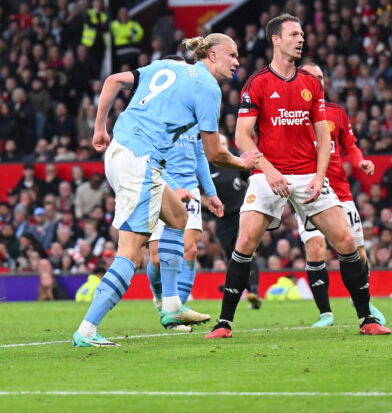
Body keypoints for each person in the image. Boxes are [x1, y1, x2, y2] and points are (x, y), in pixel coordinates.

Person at [73, 33, 262, 348]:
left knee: (177, 217)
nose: (237, 62)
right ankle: (88, 330)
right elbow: (214, 152)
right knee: (130, 253)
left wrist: (99, 128)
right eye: (231, 55)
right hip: (140, 160)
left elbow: (112, 81)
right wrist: (245, 164)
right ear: (211, 55)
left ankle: (172, 304)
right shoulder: (206, 88)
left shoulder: (166, 67)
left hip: (123, 151)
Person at [206, 14, 389, 338]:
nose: (301, 39)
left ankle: (367, 319)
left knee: (346, 241)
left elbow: (324, 139)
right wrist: (270, 171)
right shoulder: (257, 83)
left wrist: (320, 177)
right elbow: (243, 137)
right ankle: (224, 323)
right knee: (246, 240)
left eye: (302, 34)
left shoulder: (311, 85)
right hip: (268, 173)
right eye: (294, 34)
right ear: (276, 39)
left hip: (308, 175)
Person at [295, 63, 385, 328]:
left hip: (340, 190)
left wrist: (361, 162)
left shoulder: (336, 112)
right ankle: (325, 313)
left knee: (357, 251)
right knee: (315, 246)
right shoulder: (290, 114)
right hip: (308, 191)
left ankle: (364, 303)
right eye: (313, 77)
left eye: (321, 77)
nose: (319, 81)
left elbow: (351, 146)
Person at [145, 57, 225, 332]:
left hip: (188, 187)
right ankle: (161, 295)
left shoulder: (193, 112)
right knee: (156, 256)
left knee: (189, 248)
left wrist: (210, 193)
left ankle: (176, 308)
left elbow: (200, 154)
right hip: (160, 184)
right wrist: (170, 185)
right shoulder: (155, 111)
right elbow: (149, 156)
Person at [209, 134, 260, 306]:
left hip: (241, 213)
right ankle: (244, 288)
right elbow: (200, 193)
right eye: (219, 143)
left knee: (247, 250)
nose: (222, 146)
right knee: (231, 256)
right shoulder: (207, 167)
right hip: (222, 218)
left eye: (224, 143)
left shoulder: (237, 164)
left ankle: (254, 291)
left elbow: (252, 179)